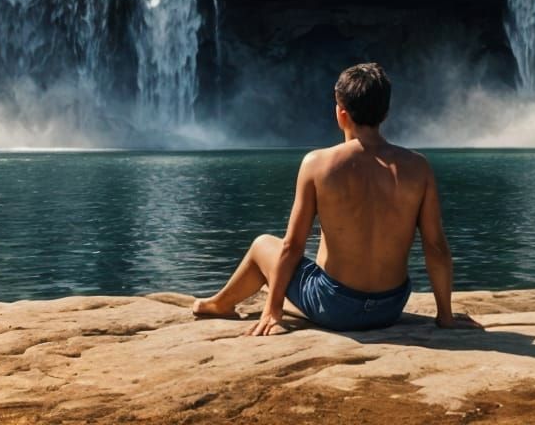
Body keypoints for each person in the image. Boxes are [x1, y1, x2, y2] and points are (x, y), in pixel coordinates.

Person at [192, 62, 482, 336]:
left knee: (262, 245)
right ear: (386, 112)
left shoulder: (318, 164)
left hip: (336, 308)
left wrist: (273, 310)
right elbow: (436, 246)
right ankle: (238, 300)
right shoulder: (418, 167)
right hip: (390, 307)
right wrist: (445, 316)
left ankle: (221, 304)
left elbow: (292, 246)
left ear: (341, 113)